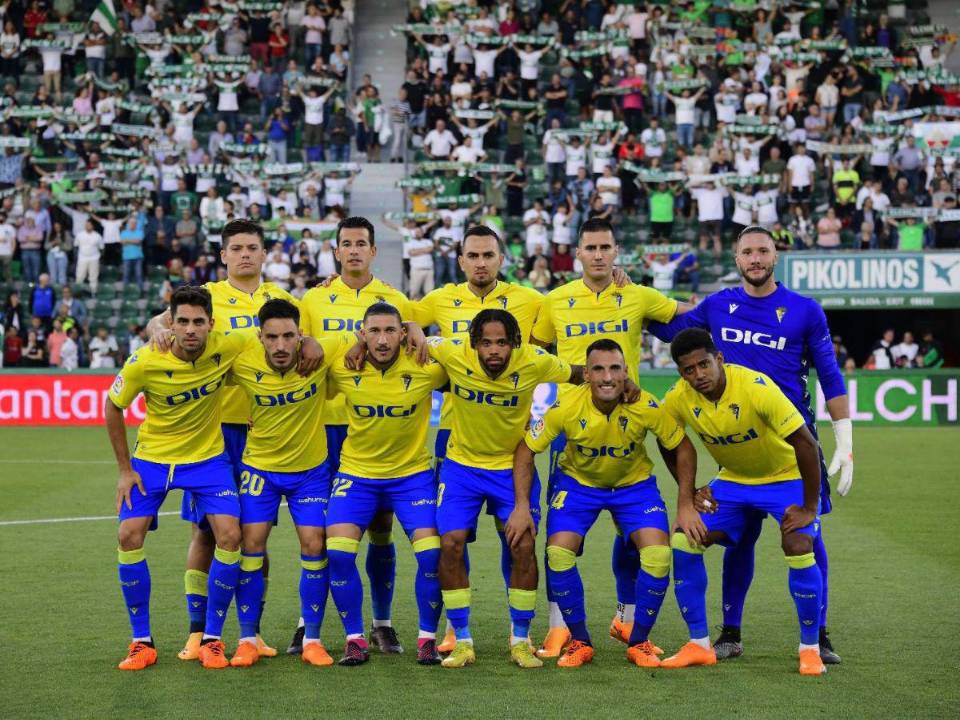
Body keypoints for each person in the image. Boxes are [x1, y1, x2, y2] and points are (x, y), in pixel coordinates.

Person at [648, 226, 851, 664]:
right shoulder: (717, 305)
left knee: (806, 537)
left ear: (775, 256)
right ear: (736, 259)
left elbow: (830, 374)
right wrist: (626, 296)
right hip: (736, 452)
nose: (755, 259)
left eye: (762, 251)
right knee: (736, 541)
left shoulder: (804, 310)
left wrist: (845, 440)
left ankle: (819, 635)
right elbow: (672, 331)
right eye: (747, 252)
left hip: (792, 443)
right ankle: (730, 632)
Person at [145, 219, 317, 662]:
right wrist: (156, 329)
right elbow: (160, 322)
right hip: (215, 430)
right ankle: (198, 630)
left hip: (268, 432)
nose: (244, 255)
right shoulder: (208, 296)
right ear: (223, 255)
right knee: (207, 531)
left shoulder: (281, 300)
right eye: (236, 248)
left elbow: (307, 339)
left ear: (264, 254)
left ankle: (250, 632)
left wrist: (313, 342)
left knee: (256, 535)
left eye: (252, 248)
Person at [529, 217, 686, 655]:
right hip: (571, 427)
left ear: (616, 252)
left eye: (605, 247)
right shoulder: (555, 300)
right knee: (561, 537)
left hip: (627, 420)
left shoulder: (637, 295)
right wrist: (539, 408)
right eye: (591, 248)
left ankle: (627, 618)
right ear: (577, 253)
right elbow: (536, 357)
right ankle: (559, 626)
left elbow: (686, 317)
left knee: (632, 531)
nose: (598, 255)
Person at [513, 338, 696, 668]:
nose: (607, 377)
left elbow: (682, 447)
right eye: (598, 369)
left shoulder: (645, 404)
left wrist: (686, 502)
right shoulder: (565, 406)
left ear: (626, 372)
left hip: (633, 486)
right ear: (586, 374)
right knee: (558, 553)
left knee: (657, 555)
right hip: (579, 486)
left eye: (614, 369)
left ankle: (638, 642)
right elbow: (526, 450)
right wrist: (522, 506)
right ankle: (580, 641)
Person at [105, 286, 258, 670]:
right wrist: (125, 470)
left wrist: (307, 342)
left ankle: (212, 639)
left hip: (207, 461)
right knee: (128, 535)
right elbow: (112, 405)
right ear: (171, 323)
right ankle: (141, 641)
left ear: (211, 324)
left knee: (230, 535)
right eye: (183, 321)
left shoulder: (228, 345)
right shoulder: (145, 360)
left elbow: (274, 339)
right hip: (152, 460)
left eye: (198, 322)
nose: (191, 329)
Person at [658, 328, 827, 677]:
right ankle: (699, 644)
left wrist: (810, 507)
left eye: (704, 364)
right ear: (681, 373)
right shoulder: (678, 397)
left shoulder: (754, 387)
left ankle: (810, 649)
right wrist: (689, 494)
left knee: (798, 543)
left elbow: (807, 444)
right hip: (734, 481)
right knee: (684, 539)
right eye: (689, 370)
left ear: (719, 359)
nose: (698, 374)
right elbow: (667, 439)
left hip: (785, 477)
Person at [408, 225, 545, 652]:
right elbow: (401, 318)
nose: (481, 263)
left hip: (509, 435)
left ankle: (519, 630)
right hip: (455, 431)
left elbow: (557, 344)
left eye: (488, 255)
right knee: (454, 537)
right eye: (473, 255)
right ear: (461, 260)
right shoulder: (440, 298)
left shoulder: (531, 300)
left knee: (516, 536)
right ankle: (455, 627)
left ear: (501, 259)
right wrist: (415, 330)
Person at [296, 216, 426, 656]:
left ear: (373, 250)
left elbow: (411, 341)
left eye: (361, 243)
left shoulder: (394, 299)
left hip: (373, 431)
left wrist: (414, 326)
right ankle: (307, 624)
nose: (353, 250)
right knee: (318, 532)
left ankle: (381, 623)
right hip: (319, 425)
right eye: (346, 243)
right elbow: (302, 349)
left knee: (381, 528)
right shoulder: (313, 299)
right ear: (336, 251)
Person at [427, 309, 583, 669]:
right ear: (473, 344)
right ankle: (462, 640)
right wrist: (410, 331)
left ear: (515, 343)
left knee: (523, 544)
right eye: (485, 343)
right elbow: (417, 338)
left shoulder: (535, 360)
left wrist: (621, 383)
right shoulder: (453, 351)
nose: (494, 350)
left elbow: (579, 373)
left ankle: (520, 640)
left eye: (501, 343)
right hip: (461, 467)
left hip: (511, 468)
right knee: (450, 543)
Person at [325, 302, 449, 666]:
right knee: (338, 554)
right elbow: (304, 352)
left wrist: (422, 332)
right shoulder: (344, 367)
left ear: (402, 333)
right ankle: (354, 639)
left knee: (432, 555)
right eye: (374, 331)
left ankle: (427, 639)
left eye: (390, 331)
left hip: (411, 478)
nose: (382, 340)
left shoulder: (425, 367)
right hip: (357, 476)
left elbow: (468, 355)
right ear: (362, 334)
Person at [225, 299, 346, 668]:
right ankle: (248, 639)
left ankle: (312, 639)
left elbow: (357, 337)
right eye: (272, 337)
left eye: (289, 336)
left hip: (310, 473)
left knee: (315, 544)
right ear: (260, 337)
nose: (280, 345)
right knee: (251, 546)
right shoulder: (242, 361)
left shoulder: (321, 354)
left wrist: (317, 344)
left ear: (300, 335)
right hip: (260, 470)